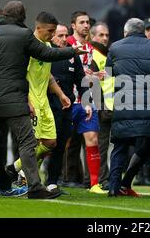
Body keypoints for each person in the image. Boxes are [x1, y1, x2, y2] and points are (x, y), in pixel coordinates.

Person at [0, 1, 84, 199]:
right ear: (22, 17)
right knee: (27, 143)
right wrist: (72, 51)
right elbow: (46, 53)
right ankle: (35, 188)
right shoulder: (24, 35)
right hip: (15, 99)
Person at [106, 18, 150, 197]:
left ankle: (113, 187)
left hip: (124, 105)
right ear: (143, 31)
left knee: (119, 147)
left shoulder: (115, 47)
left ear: (126, 32)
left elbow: (108, 76)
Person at [4, 12, 71, 186]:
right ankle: (28, 180)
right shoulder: (27, 46)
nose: (52, 34)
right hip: (31, 99)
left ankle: (14, 168)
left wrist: (61, 94)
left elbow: (48, 75)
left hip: (44, 101)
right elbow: (20, 75)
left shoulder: (47, 45)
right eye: (50, 31)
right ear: (38, 28)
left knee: (50, 142)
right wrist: (26, 101)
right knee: (31, 143)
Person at [44, 23, 89, 192]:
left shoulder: (72, 54)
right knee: (44, 144)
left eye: (65, 35)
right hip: (46, 105)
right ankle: (24, 175)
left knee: (61, 144)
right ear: (52, 35)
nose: (64, 39)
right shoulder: (45, 51)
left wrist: (87, 102)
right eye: (60, 35)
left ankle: (52, 182)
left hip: (66, 106)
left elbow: (81, 80)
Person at [66, 11, 106, 194]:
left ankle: (94, 184)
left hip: (86, 100)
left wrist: (95, 76)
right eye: (81, 22)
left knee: (93, 139)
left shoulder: (90, 48)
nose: (86, 25)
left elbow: (83, 75)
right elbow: (68, 72)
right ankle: (24, 172)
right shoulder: (67, 44)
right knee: (53, 142)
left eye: (87, 22)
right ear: (73, 25)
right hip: (67, 99)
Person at [89, 22, 111, 189]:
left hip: (110, 105)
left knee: (102, 145)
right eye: (101, 35)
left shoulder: (106, 54)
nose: (104, 38)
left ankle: (102, 177)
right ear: (93, 37)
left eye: (106, 35)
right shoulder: (92, 55)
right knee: (99, 145)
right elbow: (91, 83)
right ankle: (101, 179)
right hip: (98, 106)